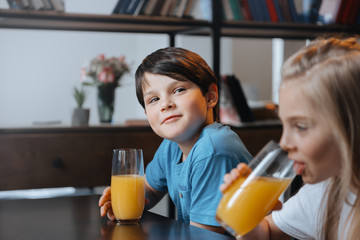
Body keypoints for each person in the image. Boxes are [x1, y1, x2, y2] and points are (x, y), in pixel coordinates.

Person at [99, 47, 252, 233]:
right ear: (146, 113)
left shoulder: (213, 150)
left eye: (178, 90)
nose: (166, 104)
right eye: (154, 99)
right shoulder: (172, 146)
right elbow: (150, 190)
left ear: (210, 96)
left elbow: (203, 237)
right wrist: (122, 201)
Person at [220, 37, 360, 240]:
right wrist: (247, 215)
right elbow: (266, 234)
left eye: (300, 127)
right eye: (284, 124)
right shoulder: (323, 192)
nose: (284, 143)